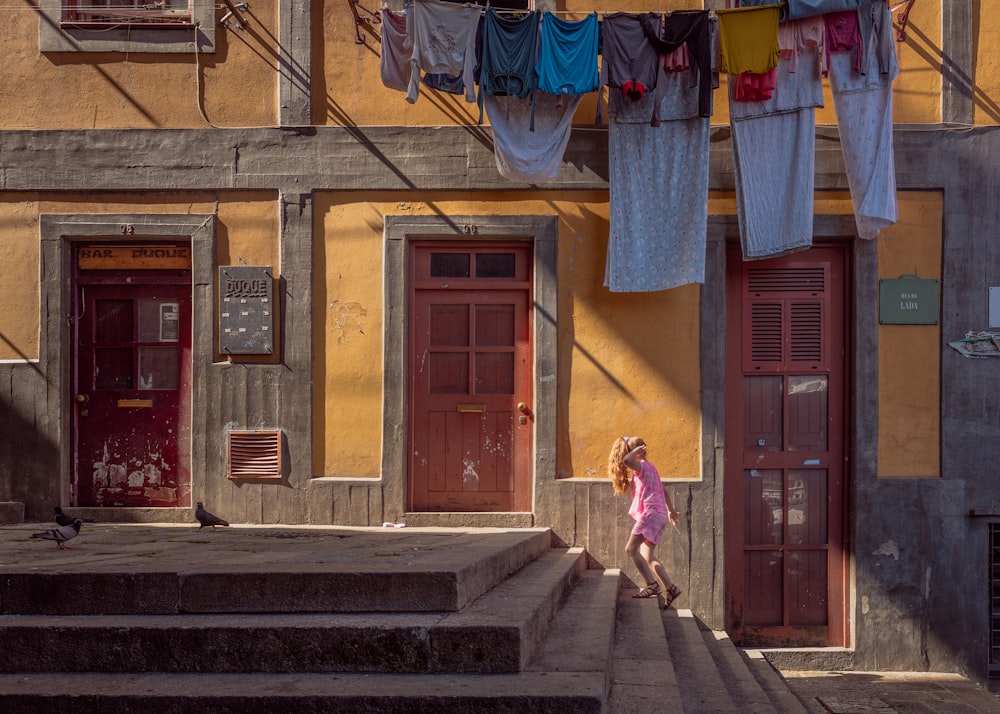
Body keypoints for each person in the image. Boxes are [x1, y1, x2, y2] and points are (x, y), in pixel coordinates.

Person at [608, 436, 682, 608]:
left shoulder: (642, 466)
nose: (627, 457)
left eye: (631, 452)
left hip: (650, 514)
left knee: (630, 549)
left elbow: (626, 460)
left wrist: (635, 452)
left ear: (638, 453)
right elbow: (664, 491)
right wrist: (670, 511)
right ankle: (671, 588)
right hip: (660, 515)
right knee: (647, 556)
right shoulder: (651, 468)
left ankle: (652, 585)